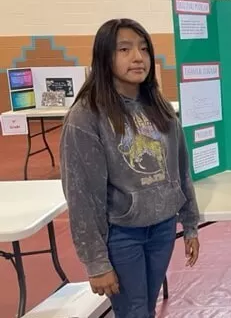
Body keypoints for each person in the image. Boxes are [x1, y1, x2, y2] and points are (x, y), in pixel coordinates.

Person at [59, 18, 201, 317]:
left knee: (144, 307)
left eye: (144, 49)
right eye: (124, 49)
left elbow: (180, 172)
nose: (138, 57)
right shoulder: (86, 116)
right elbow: (82, 195)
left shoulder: (160, 107)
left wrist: (189, 224)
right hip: (122, 235)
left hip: (162, 227)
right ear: (104, 57)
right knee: (134, 311)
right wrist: (96, 261)